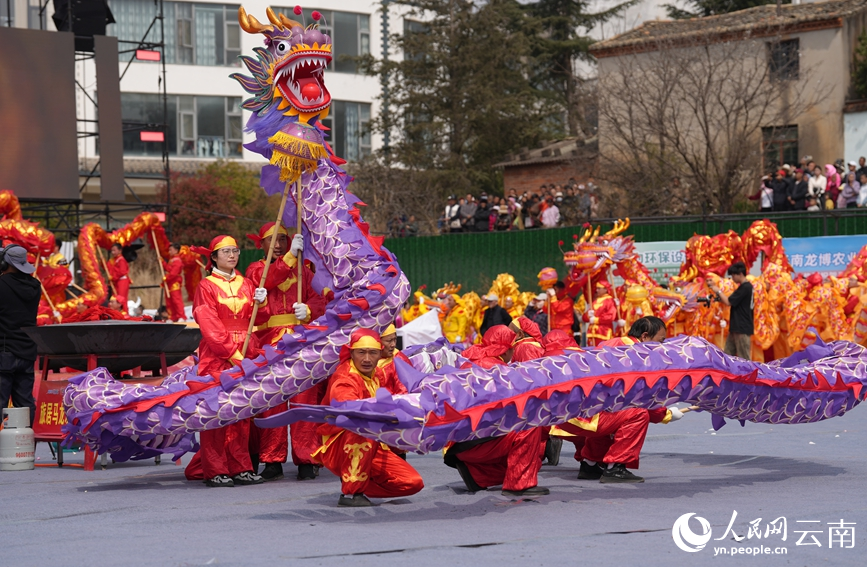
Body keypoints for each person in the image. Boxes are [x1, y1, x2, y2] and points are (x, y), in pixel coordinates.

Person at [550, 317, 684, 483]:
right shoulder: (637, 355)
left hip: (569, 411)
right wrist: (666, 414)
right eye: (660, 340)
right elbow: (641, 398)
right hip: (586, 414)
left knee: (613, 411)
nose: (662, 346)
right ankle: (616, 466)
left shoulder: (612, 343)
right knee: (637, 414)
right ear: (644, 336)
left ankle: (590, 464)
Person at [184, 235, 269, 487]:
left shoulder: (248, 283)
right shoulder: (206, 286)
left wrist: (262, 302)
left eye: (235, 251)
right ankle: (215, 468)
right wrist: (233, 353)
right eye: (226, 251)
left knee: (242, 411)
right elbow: (208, 324)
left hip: (247, 349)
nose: (232, 255)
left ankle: (241, 466)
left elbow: (259, 317)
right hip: (217, 354)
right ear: (213, 257)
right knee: (215, 411)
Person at [245, 222, 327, 481]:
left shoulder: (305, 272)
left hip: (301, 342)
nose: (279, 245)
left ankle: (307, 458)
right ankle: (271, 458)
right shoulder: (256, 270)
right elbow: (268, 280)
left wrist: (311, 311)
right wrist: (291, 256)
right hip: (269, 344)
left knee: (304, 399)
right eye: (273, 240)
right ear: (262, 244)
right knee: (272, 401)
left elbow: (320, 298)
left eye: (283, 239)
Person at [313, 329, 424, 507]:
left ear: (380, 354)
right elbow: (351, 411)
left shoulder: (377, 374)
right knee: (361, 425)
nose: (366, 359)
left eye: (372, 353)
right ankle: (351, 493)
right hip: (341, 444)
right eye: (361, 352)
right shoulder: (344, 378)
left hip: (374, 444)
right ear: (351, 353)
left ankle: (357, 481)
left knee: (412, 483)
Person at [449, 325, 549, 497]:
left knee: (527, 459)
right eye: (512, 346)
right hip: (478, 440)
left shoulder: (470, 361)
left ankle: (478, 476)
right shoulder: (498, 369)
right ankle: (519, 485)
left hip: (458, 442)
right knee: (530, 424)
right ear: (504, 350)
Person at [0, 245, 41, 425]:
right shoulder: (35, 286)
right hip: (27, 351)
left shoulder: (1, 285)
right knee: (25, 404)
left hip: (4, 351)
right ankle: (25, 448)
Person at [709, 261, 753, 360]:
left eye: (733, 275)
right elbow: (730, 300)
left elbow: (729, 302)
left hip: (742, 327)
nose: (732, 278)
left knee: (744, 357)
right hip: (735, 327)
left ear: (740, 274)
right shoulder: (742, 287)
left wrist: (718, 290)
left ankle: (747, 375)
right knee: (728, 356)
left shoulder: (746, 287)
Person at [377, 324, 410, 395]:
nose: (393, 345)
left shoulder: (399, 359)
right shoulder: (367, 361)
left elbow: (404, 390)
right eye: (389, 341)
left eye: (395, 339)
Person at [582, 280, 617, 346]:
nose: (597, 290)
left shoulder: (609, 301)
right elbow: (584, 318)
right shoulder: (595, 301)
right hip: (592, 333)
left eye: (599, 288)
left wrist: (596, 320)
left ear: (605, 289)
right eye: (596, 288)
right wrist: (588, 315)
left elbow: (611, 316)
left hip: (603, 332)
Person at [163, 243, 186, 321]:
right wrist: (162, 262)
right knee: (169, 300)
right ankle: (172, 316)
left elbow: (174, 273)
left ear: (176, 250)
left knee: (176, 300)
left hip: (174, 283)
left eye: (171, 250)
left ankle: (181, 316)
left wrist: (166, 278)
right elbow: (169, 269)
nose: (169, 252)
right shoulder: (171, 259)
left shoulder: (177, 260)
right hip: (169, 282)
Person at [107, 243, 130, 312]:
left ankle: (124, 312)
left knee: (121, 298)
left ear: (120, 251)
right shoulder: (114, 260)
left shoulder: (121, 260)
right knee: (115, 297)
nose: (113, 252)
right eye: (112, 251)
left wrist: (113, 277)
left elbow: (122, 272)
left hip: (122, 281)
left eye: (114, 250)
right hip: (116, 281)